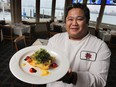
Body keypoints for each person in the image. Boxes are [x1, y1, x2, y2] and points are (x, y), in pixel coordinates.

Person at [46, 3, 111, 87]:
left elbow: (100, 81)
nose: (74, 23)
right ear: (65, 21)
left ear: (87, 22)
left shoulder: (100, 47)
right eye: (70, 19)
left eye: (79, 19)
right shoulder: (55, 39)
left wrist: (73, 77)